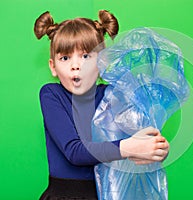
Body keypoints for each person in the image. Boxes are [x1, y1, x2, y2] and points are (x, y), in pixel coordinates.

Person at [34, 10, 169, 199]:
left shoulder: (113, 95)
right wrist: (130, 147)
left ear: (102, 62)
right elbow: (74, 151)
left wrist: (155, 148)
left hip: (107, 193)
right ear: (53, 66)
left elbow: (137, 140)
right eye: (65, 58)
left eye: (86, 56)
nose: (75, 65)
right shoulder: (51, 95)